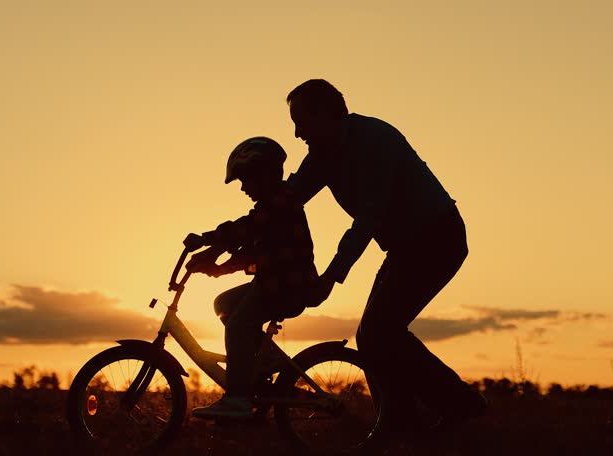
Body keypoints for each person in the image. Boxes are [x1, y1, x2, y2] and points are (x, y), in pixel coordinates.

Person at [284, 79, 487, 433]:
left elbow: (368, 218)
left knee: (380, 331)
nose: (297, 133)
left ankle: (453, 407)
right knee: (372, 336)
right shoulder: (321, 155)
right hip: (406, 246)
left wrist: (331, 275)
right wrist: (229, 235)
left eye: (301, 121)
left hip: (438, 238)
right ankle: (404, 423)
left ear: (328, 114)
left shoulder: (375, 139)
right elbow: (287, 201)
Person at [185, 136, 319, 419]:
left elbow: (244, 230)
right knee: (224, 303)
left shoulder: (280, 202)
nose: (243, 187)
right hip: (274, 283)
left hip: (286, 286)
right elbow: (251, 252)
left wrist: (206, 240)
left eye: (245, 179)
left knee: (237, 326)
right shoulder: (270, 206)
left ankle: (237, 398)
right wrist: (219, 268)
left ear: (263, 174)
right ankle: (267, 359)